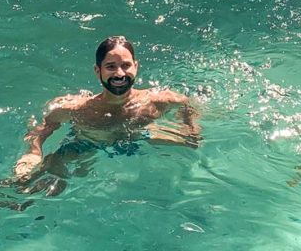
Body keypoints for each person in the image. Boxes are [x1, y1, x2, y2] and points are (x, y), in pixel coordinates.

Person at [13, 35, 201, 183]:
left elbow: (187, 105)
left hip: (138, 138)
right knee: (42, 177)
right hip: (88, 144)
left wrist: (191, 128)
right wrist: (33, 151)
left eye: (125, 65)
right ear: (98, 71)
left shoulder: (158, 100)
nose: (119, 73)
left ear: (135, 67)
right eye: (111, 67)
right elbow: (47, 123)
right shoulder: (77, 108)